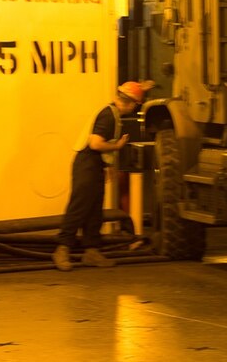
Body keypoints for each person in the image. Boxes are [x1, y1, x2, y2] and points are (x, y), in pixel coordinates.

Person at [53, 80, 153, 271]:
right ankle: (62, 249)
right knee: (79, 207)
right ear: (132, 104)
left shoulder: (112, 114)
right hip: (86, 163)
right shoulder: (108, 116)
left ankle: (91, 251)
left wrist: (107, 165)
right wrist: (117, 147)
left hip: (94, 164)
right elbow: (95, 144)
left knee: (94, 210)